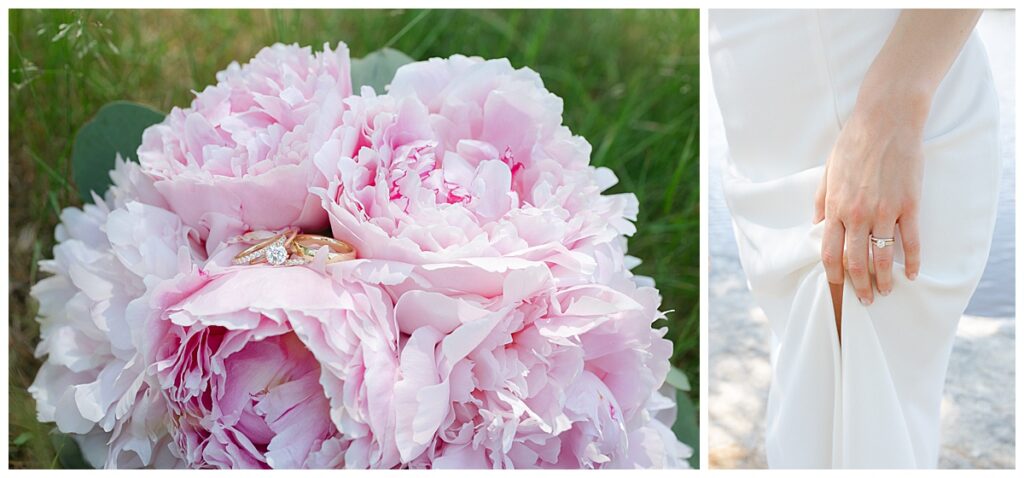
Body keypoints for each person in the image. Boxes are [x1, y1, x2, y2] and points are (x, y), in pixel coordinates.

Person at [709, 9, 999, 468]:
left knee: (866, 428)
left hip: (867, 122)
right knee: (812, 422)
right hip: (766, 149)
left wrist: (882, 120)